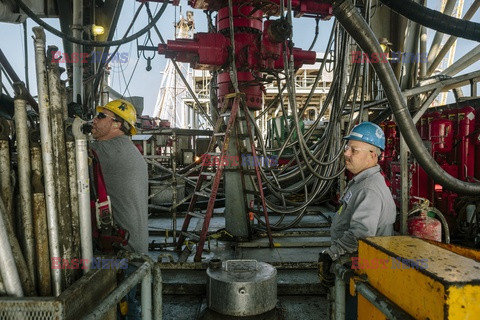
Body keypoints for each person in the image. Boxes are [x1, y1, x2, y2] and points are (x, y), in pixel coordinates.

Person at [318, 122, 396, 287]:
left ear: (372, 156)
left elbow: (360, 235)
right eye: (347, 147)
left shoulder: (369, 189)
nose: (346, 153)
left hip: (363, 271)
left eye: (354, 150)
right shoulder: (361, 181)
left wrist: (331, 254)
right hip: (356, 262)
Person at [90, 99, 148, 319]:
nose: (94, 120)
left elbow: (64, 151)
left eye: (101, 116)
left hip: (124, 251)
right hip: (134, 246)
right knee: (128, 302)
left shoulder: (107, 151)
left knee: (121, 306)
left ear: (117, 124)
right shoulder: (128, 148)